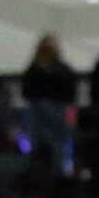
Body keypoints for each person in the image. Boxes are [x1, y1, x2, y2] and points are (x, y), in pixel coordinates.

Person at [22, 35, 77, 172]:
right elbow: (27, 92)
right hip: (39, 114)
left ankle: (62, 170)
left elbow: (70, 93)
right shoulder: (33, 70)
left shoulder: (63, 70)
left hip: (58, 112)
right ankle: (35, 166)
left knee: (62, 141)